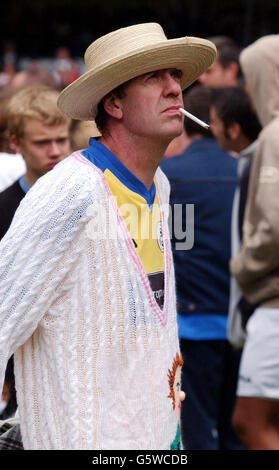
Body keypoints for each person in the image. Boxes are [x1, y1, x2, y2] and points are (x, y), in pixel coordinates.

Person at [0, 23, 216, 450]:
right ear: (113, 103)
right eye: (154, 77)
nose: (174, 87)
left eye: (175, 75)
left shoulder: (162, 186)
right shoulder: (71, 192)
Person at [161, 85, 241, 450]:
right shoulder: (247, 170)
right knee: (237, 431)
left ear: (184, 123)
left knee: (195, 432)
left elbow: (165, 250)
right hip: (245, 322)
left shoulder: (168, 176)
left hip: (193, 326)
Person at [0, 85, 71, 422]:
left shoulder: (94, 202)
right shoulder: (2, 210)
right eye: (42, 143)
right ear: (16, 144)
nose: (55, 151)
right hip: (19, 381)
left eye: (62, 139)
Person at [230, 35, 279, 450]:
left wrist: (242, 266)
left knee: (250, 420)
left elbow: (276, 225)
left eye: (250, 76)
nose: (246, 88)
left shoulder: (276, 135)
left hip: (274, 301)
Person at [210, 87, 262, 347]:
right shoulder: (247, 164)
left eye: (216, 122)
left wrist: (241, 266)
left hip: (254, 312)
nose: (211, 128)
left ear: (234, 130)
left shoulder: (256, 167)